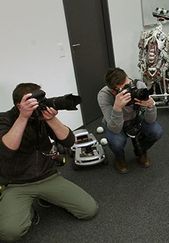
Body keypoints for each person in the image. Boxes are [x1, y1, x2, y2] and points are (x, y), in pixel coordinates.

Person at [0, 83, 98, 241]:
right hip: (17, 183)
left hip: (48, 176)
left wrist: (51, 119)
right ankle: (29, 211)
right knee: (9, 233)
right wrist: (23, 117)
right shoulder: (4, 119)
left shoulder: (40, 116)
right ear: (20, 105)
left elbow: (69, 142)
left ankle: (44, 197)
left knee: (89, 211)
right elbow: (7, 150)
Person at [98, 67, 163, 174]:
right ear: (114, 91)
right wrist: (117, 108)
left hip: (135, 119)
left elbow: (150, 120)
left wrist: (151, 106)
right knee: (117, 142)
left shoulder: (138, 86)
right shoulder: (104, 95)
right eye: (125, 88)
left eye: (129, 83)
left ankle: (140, 150)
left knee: (156, 131)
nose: (130, 88)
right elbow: (115, 128)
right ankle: (119, 158)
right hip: (116, 124)